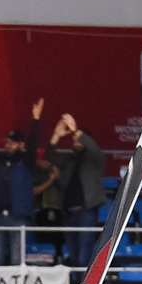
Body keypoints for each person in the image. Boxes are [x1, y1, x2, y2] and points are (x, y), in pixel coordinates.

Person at [0, 99, 45, 266]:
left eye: (12, 142)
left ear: (20, 145)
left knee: (17, 260)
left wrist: (36, 119)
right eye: (7, 142)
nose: (8, 145)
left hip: (18, 217)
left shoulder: (27, 161)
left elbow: (33, 144)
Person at [49, 114, 105, 267]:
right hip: (69, 215)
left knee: (83, 258)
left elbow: (94, 149)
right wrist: (56, 135)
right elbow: (50, 156)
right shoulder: (69, 161)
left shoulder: (95, 160)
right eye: (74, 140)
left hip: (86, 213)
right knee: (74, 259)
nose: (76, 141)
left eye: (79, 139)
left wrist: (76, 130)